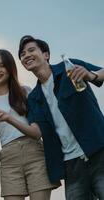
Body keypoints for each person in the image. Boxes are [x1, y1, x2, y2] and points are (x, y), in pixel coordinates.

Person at [0, 49, 59, 200]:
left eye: (2, 66)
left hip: (34, 153)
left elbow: (37, 133)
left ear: (10, 69)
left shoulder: (26, 92)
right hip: (9, 158)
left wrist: (9, 118)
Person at [18, 35, 104, 200]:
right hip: (71, 164)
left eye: (31, 50)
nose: (26, 55)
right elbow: (37, 132)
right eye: (22, 54)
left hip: (98, 149)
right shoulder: (34, 98)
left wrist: (91, 75)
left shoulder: (69, 67)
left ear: (46, 55)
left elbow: (101, 73)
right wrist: (9, 117)